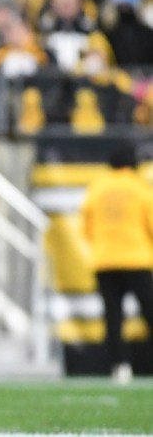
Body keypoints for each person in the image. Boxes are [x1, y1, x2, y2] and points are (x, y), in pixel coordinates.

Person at [81, 143, 153, 384]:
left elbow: (86, 228)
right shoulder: (140, 187)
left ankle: (120, 367)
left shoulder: (97, 187)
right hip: (136, 259)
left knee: (113, 317)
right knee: (150, 312)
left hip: (105, 261)